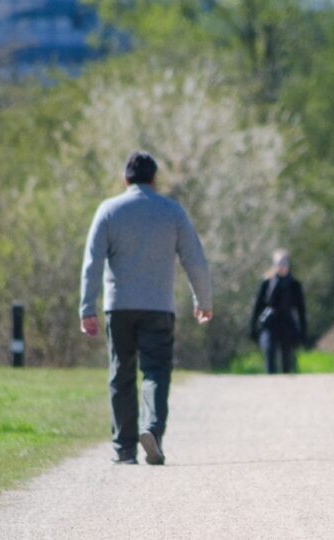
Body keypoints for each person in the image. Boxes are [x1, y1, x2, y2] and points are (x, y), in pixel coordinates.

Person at [80, 151, 213, 466]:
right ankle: (151, 430)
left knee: (121, 374)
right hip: (158, 307)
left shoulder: (109, 210)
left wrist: (87, 308)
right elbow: (195, 259)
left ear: (125, 179)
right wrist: (203, 301)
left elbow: (92, 262)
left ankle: (124, 449)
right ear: (155, 180)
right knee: (155, 372)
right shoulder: (172, 211)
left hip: (119, 306)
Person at [249, 249, 307, 374]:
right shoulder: (266, 284)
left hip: (287, 324)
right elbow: (257, 307)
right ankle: (271, 383)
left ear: (288, 265)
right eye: (278, 263)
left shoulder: (295, 285)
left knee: (287, 358)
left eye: (284, 263)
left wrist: (303, 331)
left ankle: (285, 386)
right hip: (270, 323)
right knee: (269, 351)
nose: (281, 267)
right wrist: (252, 327)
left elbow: (301, 310)